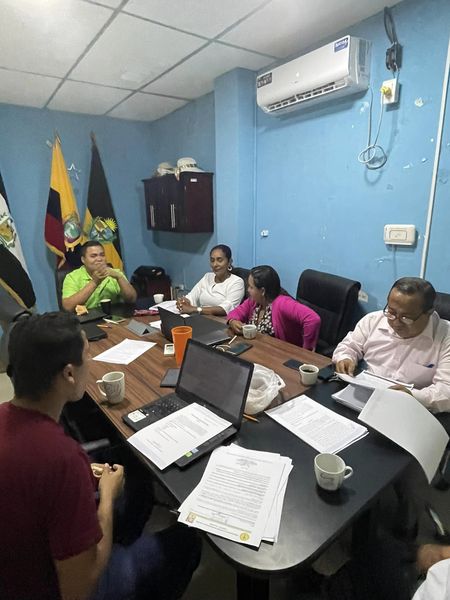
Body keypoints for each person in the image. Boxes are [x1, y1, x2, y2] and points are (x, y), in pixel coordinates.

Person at [0, 312, 200, 600]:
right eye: (87, 355)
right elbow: (79, 590)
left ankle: (121, 543)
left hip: (19, 562)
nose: (90, 362)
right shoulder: (61, 457)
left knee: (136, 483)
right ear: (69, 374)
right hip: (53, 585)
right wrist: (106, 496)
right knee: (187, 541)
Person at [333, 277, 450, 413]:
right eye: (392, 312)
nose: (396, 323)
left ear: (429, 313)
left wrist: (412, 396)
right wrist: (345, 358)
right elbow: (348, 346)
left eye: (406, 318)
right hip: (364, 397)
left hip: (412, 408)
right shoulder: (372, 321)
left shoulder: (445, 336)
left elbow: (446, 390)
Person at [227, 265, 321, 350]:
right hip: (257, 350)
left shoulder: (283, 303)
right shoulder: (253, 301)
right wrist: (232, 321)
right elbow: (235, 313)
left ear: (262, 291)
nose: (248, 290)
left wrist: (306, 350)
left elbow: (313, 319)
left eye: (251, 287)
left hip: (279, 354)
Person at [62, 241, 137, 312]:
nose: (99, 259)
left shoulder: (116, 273)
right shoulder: (72, 277)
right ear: (83, 259)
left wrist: (119, 278)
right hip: (86, 319)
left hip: (114, 317)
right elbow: (68, 307)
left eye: (102, 255)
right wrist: (94, 282)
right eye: (93, 256)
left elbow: (132, 299)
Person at [176, 244, 244, 316]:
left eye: (219, 260)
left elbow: (226, 308)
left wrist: (194, 309)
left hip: (220, 320)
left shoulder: (237, 282)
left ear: (229, 262)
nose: (215, 264)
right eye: (212, 260)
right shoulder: (207, 277)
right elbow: (191, 296)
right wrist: (183, 302)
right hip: (201, 318)